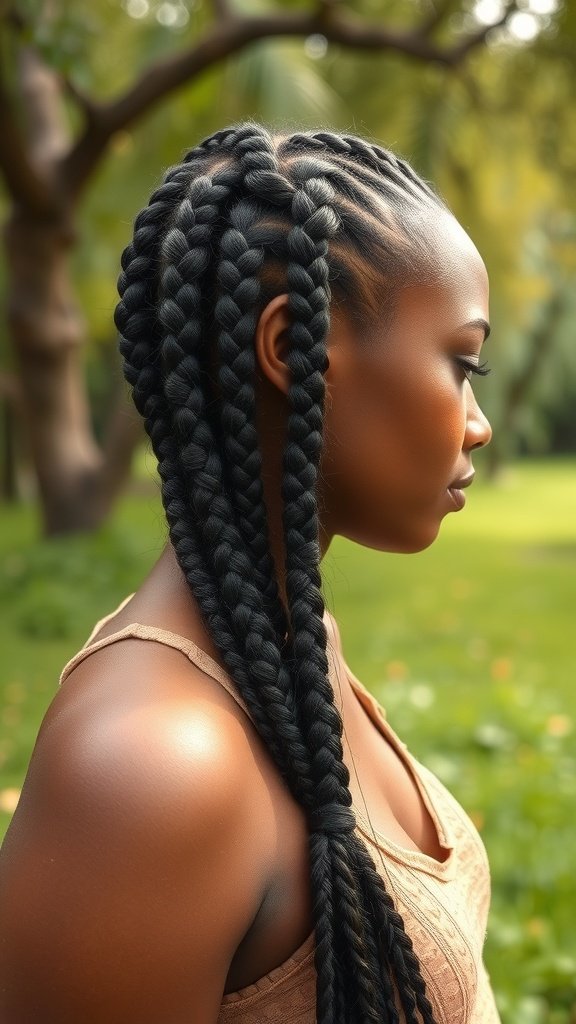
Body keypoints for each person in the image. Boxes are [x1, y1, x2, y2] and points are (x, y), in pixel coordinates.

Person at [0, 122, 498, 1024]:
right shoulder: (152, 771)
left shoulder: (287, 644)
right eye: (461, 364)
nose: (478, 423)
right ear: (290, 345)